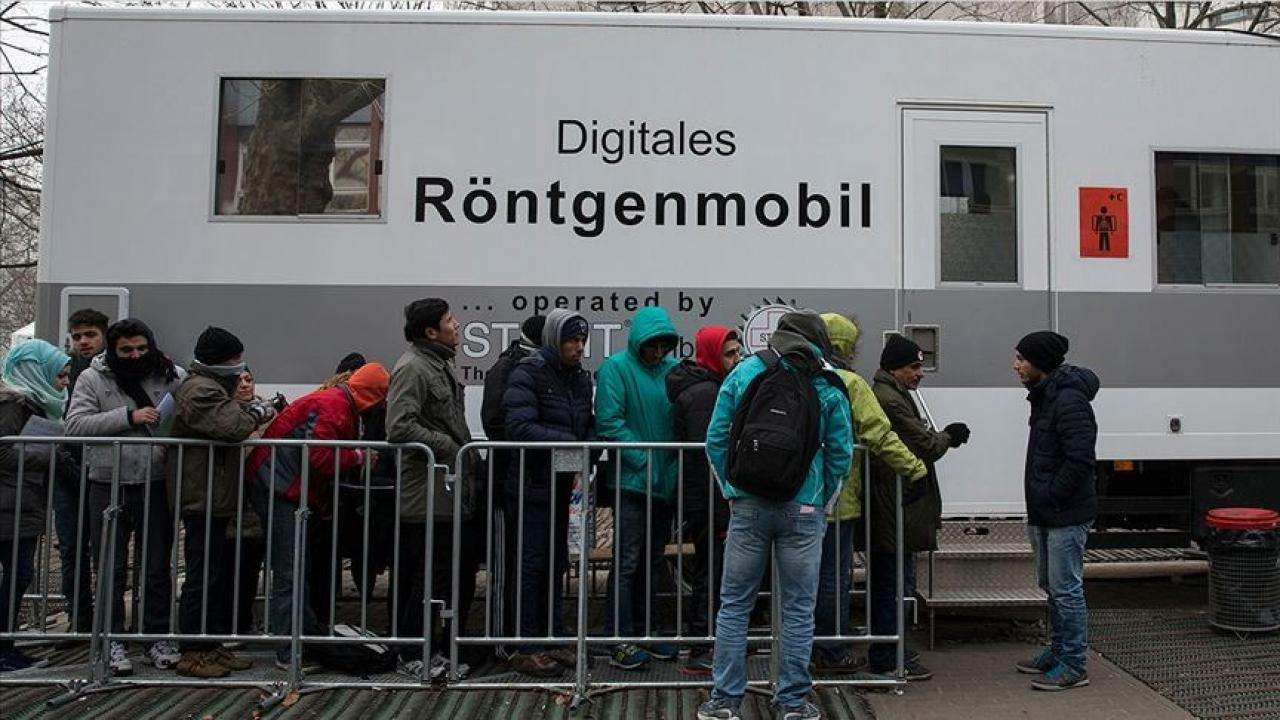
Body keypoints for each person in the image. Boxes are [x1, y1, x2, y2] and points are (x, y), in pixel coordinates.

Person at [698, 311, 853, 720]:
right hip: (804, 507)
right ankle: (792, 703)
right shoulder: (828, 382)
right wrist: (822, 500)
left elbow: (715, 438)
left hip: (748, 505)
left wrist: (732, 490)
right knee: (798, 609)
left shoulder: (748, 370)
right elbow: (841, 454)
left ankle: (724, 701)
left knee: (735, 605)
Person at [247, 362, 390, 671]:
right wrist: (359, 456)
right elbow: (320, 457)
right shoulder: (334, 407)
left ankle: (301, 641)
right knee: (290, 571)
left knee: (296, 569)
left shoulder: (336, 402)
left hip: (282, 485)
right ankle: (289, 651)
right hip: (281, 488)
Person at [65, 318, 185, 674]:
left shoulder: (170, 374)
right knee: (109, 567)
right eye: (127, 350)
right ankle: (111, 639)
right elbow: (75, 425)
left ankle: (156, 636)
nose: (135, 356)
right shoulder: (92, 378)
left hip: (155, 481)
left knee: (156, 566)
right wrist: (128, 417)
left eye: (142, 349)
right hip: (107, 482)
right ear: (113, 350)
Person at [811, 314, 927, 675]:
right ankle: (832, 652)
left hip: (796, 495)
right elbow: (879, 435)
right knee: (833, 578)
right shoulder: (850, 383)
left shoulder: (797, 376)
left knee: (802, 580)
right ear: (844, 347)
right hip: (837, 499)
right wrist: (914, 468)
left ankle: (804, 650)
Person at [168, 327, 276, 678]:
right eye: (234, 359)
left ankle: (209, 643)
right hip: (202, 493)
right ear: (217, 361)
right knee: (201, 576)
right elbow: (233, 426)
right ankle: (193, 651)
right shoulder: (200, 390)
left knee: (213, 574)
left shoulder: (213, 387)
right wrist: (258, 412)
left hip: (215, 492)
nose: (239, 366)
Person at [866, 334, 970, 679]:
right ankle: (889, 656)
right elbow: (924, 444)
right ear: (895, 368)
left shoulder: (892, 393)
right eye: (914, 367)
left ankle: (892, 651)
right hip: (896, 503)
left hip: (898, 501)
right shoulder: (890, 400)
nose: (920, 373)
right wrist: (949, 437)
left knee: (895, 581)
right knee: (894, 583)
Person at [386, 298, 478, 680]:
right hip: (426, 493)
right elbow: (398, 427)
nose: (457, 325)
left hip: (447, 492)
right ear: (430, 331)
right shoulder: (413, 368)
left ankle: (436, 650)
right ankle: (413, 653)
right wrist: (447, 446)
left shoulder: (438, 364)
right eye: (450, 320)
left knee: (443, 576)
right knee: (425, 579)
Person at [501, 309, 594, 677]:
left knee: (556, 563)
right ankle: (526, 645)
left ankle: (552, 635)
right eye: (572, 340)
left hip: (560, 484)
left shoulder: (579, 378)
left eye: (582, 340)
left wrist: (590, 446)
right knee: (531, 565)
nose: (579, 347)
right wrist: (572, 443)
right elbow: (519, 426)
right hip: (530, 484)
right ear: (555, 340)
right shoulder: (527, 372)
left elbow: (586, 422)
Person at [594, 305, 680, 670]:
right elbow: (609, 422)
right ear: (638, 341)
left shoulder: (674, 370)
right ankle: (618, 637)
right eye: (652, 345)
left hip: (665, 483)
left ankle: (646, 630)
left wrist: (670, 467)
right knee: (627, 561)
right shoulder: (615, 368)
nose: (658, 352)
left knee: (653, 560)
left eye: (663, 345)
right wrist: (644, 460)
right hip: (632, 481)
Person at [1013, 331, 1099, 692]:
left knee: (1065, 589)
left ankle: (1074, 665)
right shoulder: (1045, 396)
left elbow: (1080, 459)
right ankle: (1059, 651)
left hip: (1064, 511)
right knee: (1052, 586)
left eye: (1022, 359)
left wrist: (1051, 495)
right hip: (1047, 510)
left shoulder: (1069, 401)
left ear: (1040, 362)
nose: (1016, 365)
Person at [665, 325, 741, 676]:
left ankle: (711, 642)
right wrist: (722, 501)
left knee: (715, 570)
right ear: (712, 354)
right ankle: (702, 646)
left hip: (710, 496)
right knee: (713, 571)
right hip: (711, 498)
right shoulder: (706, 393)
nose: (736, 359)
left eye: (737, 352)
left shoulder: (708, 387)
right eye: (729, 353)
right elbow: (708, 455)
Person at [0, 340, 72, 672]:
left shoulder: (31, 405)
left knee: (19, 575)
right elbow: (4, 451)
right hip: (10, 505)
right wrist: (47, 454)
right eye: (60, 376)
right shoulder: (13, 406)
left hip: (21, 503)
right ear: (37, 371)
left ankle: (7, 646)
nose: (64, 383)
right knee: (18, 575)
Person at [480, 315, 545, 655]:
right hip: (509, 477)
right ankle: (505, 640)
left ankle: (532, 633)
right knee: (509, 561)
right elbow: (494, 422)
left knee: (535, 560)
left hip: (534, 478)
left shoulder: (544, 367)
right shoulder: (506, 368)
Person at [56, 308, 108, 637]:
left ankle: (106, 618)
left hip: (102, 473)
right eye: (77, 336)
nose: (83, 342)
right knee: (72, 550)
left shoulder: (111, 371)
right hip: (68, 475)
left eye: (90, 335)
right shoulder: (64, 371)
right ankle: (79, 618)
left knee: (106, 552)